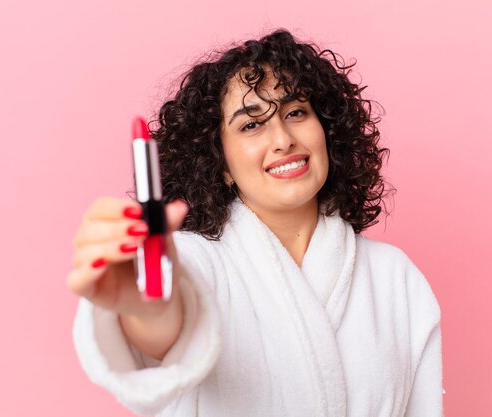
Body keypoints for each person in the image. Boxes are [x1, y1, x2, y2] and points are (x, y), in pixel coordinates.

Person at [67, 29, 443, 417]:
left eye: (296, 112)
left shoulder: (395, 277)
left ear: (327, 130)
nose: (282, 139)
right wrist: (145, 309)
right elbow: (165, 328)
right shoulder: (194, 263)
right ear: (221, 163)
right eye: (251, 125)